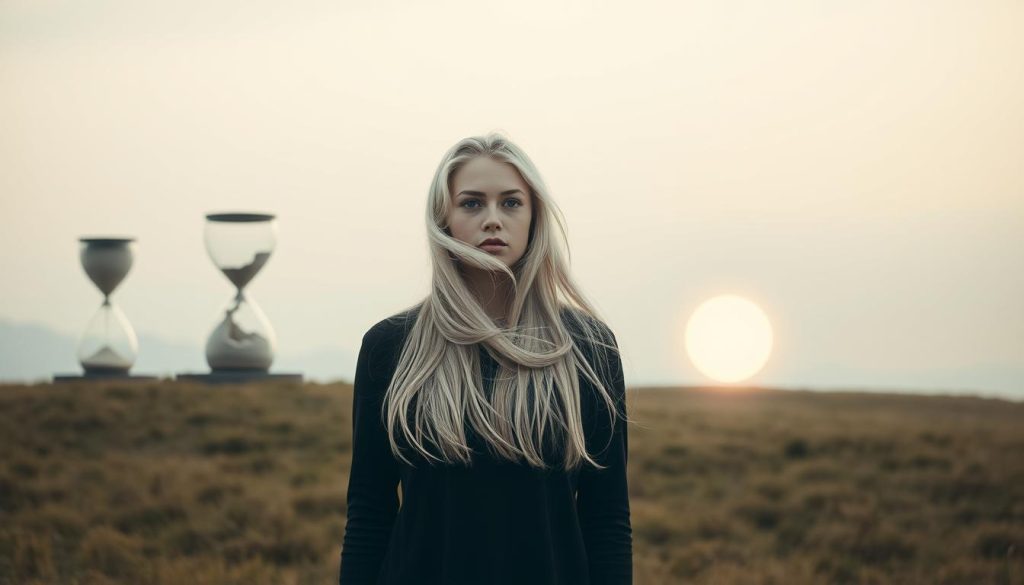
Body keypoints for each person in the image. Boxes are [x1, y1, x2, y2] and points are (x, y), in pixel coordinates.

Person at [339, 132, 633, 585]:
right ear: (444, 219)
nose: (493, 220)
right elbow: (369, 513)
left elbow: (606, 519)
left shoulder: (591, 347)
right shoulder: (390, 346)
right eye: (472, 203)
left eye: (511, 203)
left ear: (534, 217)